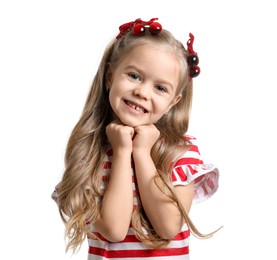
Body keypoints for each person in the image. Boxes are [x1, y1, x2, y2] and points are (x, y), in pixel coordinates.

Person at [52, 17, 220, 259]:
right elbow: (114, 229)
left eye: (160, 88)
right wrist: (121, 152)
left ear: (173, 102)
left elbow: (168, 226)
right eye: (134, 76)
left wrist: (141, 152)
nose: (142, 92)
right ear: (110, 76)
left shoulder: (181, 151)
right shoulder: (90, 152)